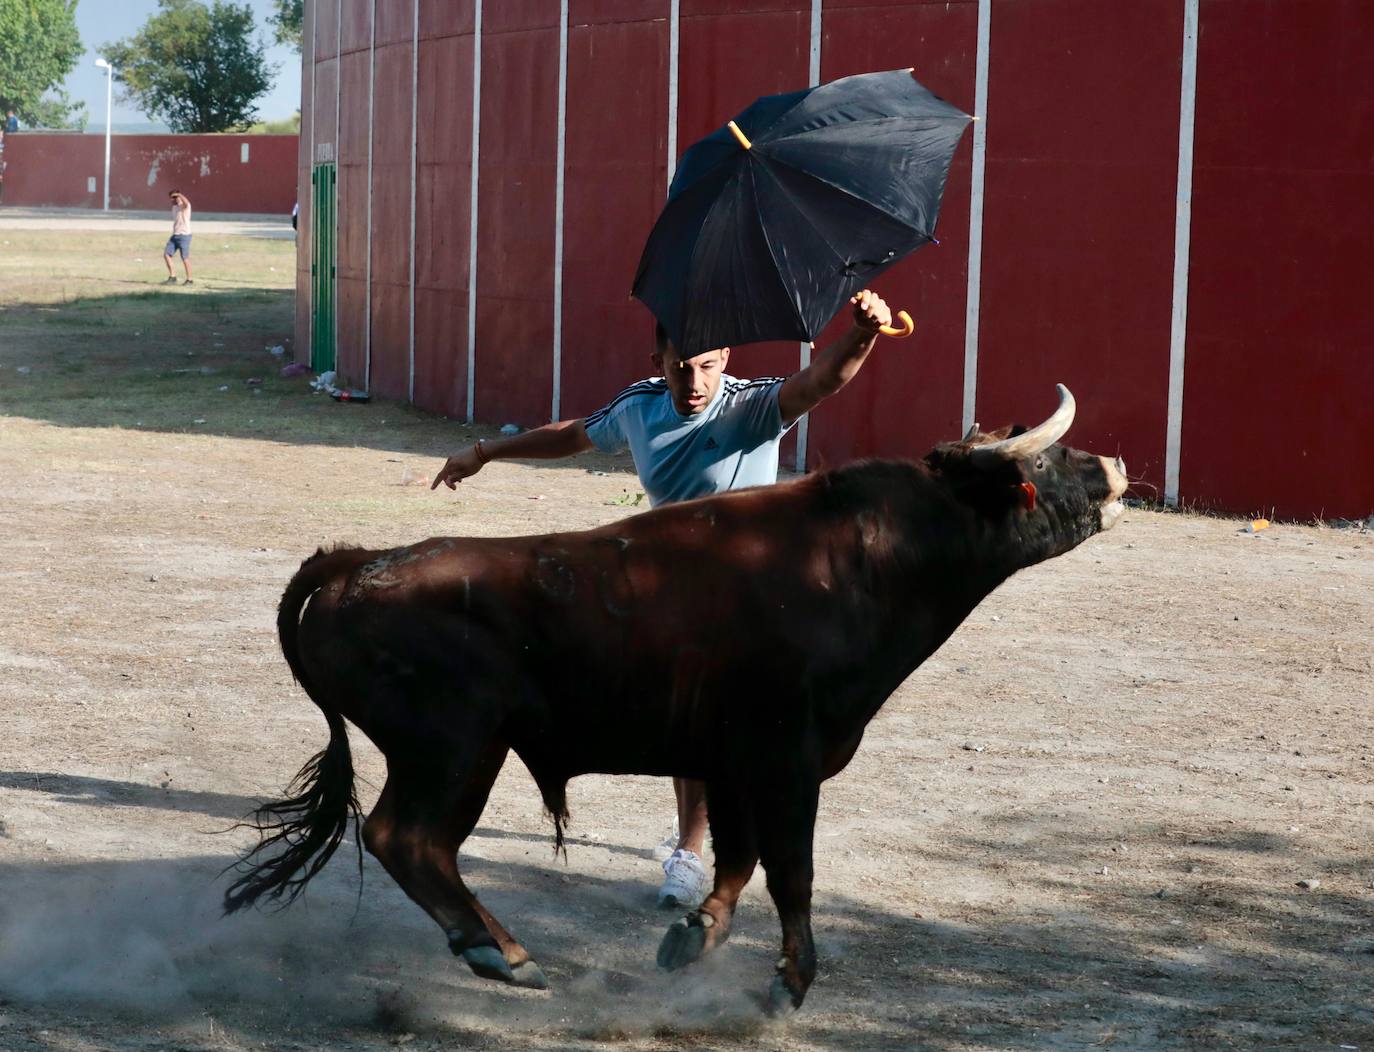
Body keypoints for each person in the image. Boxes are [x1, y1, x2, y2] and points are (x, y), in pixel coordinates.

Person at [431, 290, 895, 909]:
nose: (693, 382)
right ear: (658, 358)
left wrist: (861, 335)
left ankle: (715, 840)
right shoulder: (639, 407)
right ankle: (690, 851)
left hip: (758, 593)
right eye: (680, 367)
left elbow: (818, 382)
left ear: (725, 358)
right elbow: (572, 435)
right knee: (693, 717)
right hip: (672, 589)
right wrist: (485, 452)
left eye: (706, 366)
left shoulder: (753, 406)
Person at [164, 189, 193, 285]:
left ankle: (189, 279)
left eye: (175, 197)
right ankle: (173, 277)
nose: (174, 199)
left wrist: (180, 195)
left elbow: (187, 203)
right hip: (175, 235)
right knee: (167, 254)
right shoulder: (174, 208)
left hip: (184, 235)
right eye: (172, 197)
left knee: (185, 258)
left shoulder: (185, 206)